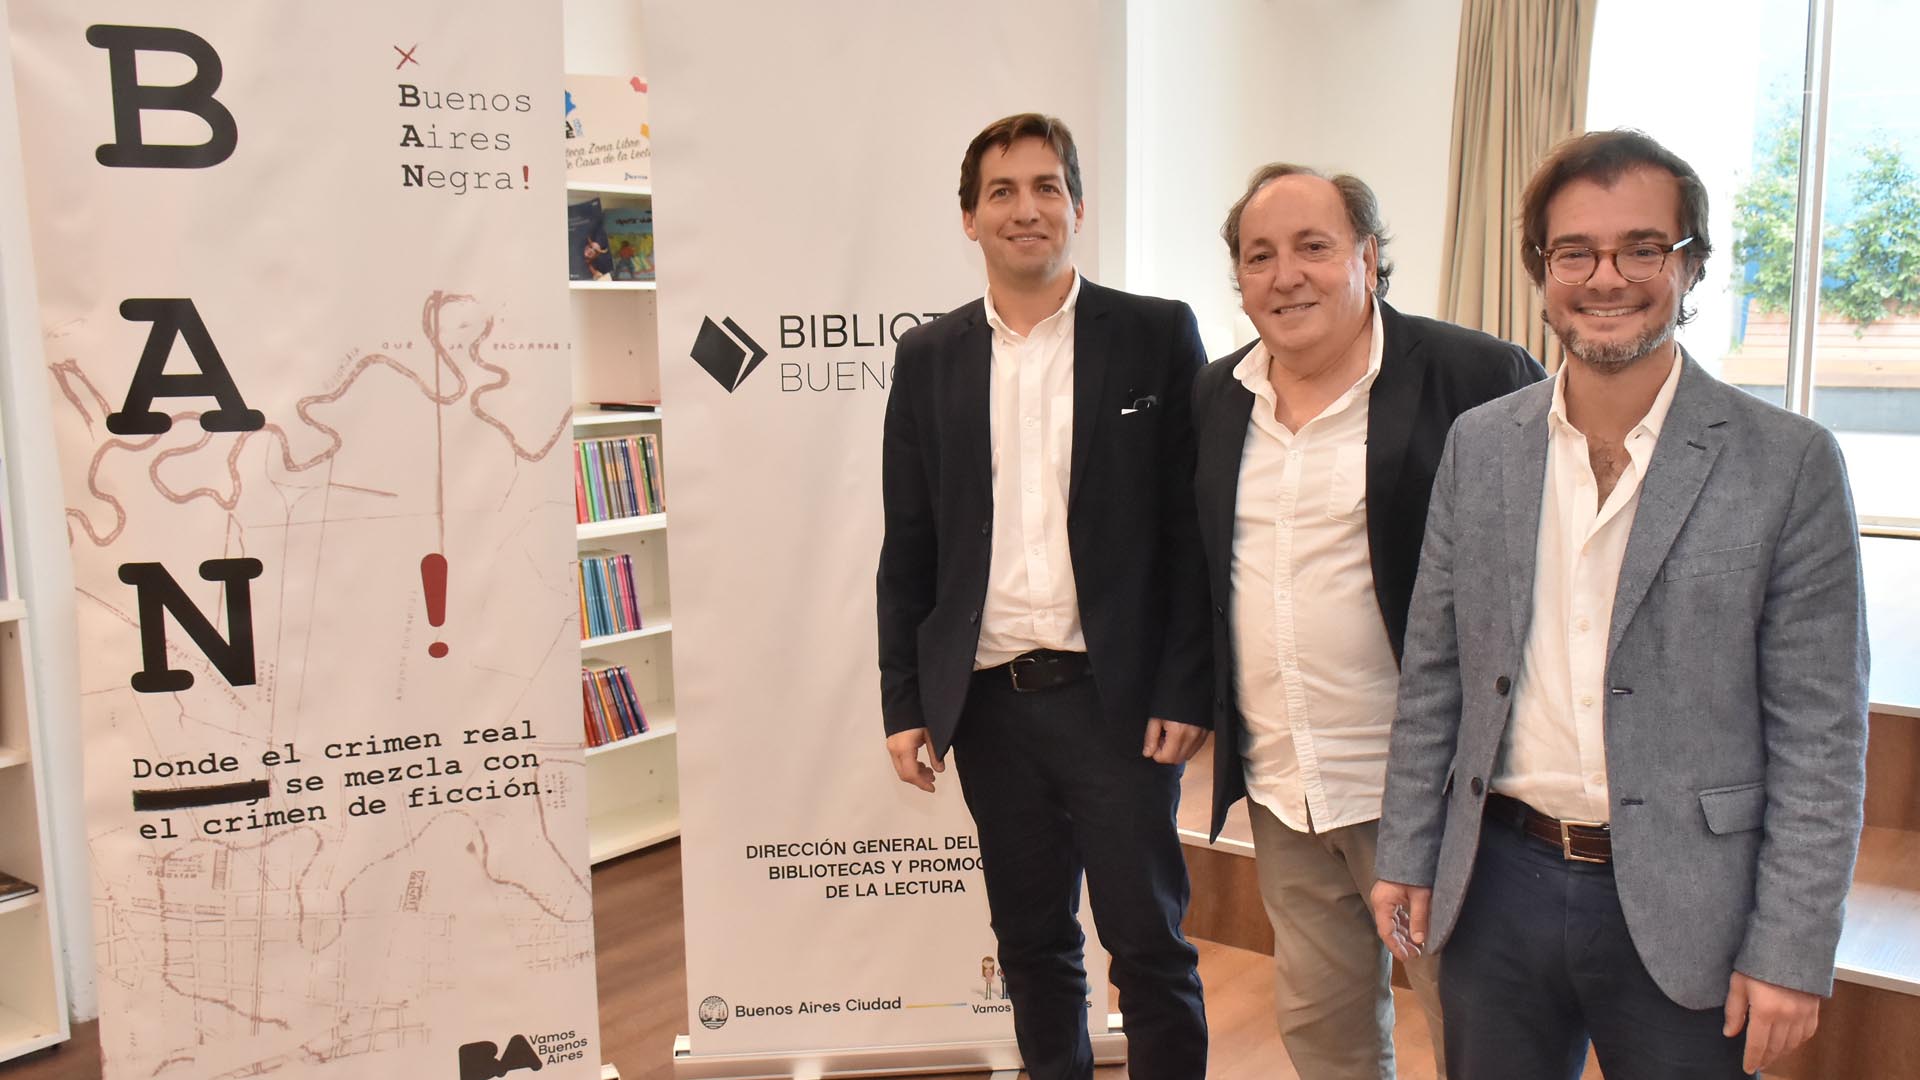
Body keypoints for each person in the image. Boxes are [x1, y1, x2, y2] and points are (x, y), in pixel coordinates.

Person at [1371, 129, 1870, 1079]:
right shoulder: (1481, 447)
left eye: (1643, 247)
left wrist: (1791, 949)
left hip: (1695, 905)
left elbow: (1821, 735)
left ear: (1693, 267)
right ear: (1541, 270)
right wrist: (1408, 848)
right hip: (1497, 887)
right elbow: (1435, 671)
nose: (1608, 277)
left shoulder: (1789, 463)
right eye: (1576, 251)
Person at [876, 112, 1211, 1080]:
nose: (1027, 209)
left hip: (1118, 707)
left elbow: (1189, 534)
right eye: (1002, 192)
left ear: (1076, 205)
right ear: (970, 220)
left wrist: (1186, 689)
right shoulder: (929, 358)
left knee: (1148, 947)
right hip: (988, 707)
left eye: (1046, 187)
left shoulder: (1154, 334)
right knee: (1030, 945)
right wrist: (907, 699)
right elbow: (911, 545)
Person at [1193, 163, 1542, 1079]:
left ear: (1370, 257)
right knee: (1324, 1031)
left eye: (1314, 246)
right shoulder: (1215, 395)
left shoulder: (1479, 376)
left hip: (1434, 789)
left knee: (1474, 1025)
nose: (1286, 275)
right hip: (1287, 782)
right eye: (1259, 256)